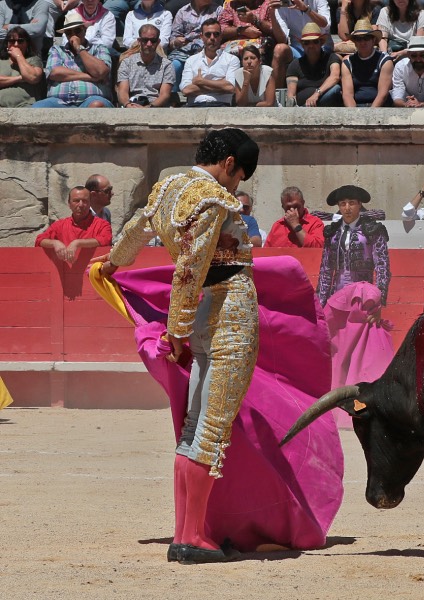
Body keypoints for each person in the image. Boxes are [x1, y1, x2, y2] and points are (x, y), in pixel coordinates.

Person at [93, 128, 261, 565]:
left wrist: (113, 262)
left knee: (194, 424)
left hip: (205, 311)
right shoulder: (212, 198)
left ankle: (187, 531)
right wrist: (176, 329)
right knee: (211, 427)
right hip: (228, 314)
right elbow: (190, 267)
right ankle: (191, 538)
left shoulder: (168, 185)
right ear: (228, 163)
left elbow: (135, 229)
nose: (236, 185)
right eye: (239, 174)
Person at [317, 184, 391, 313]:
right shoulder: (332, 232)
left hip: (363, 295)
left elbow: (382, 268)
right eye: (342, 204)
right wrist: (320, 304)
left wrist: (378, 300)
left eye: (351, 203)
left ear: (359, 204)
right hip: (337, 294)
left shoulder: (373, 230)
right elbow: (326, 270)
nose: (347, 208)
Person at [32, 12, 113, 107]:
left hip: (92, 99)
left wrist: (79, 48)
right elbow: (54, 73)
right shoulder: (56, 50)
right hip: (59, 102)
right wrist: (90, 77)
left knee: (97, 105)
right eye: (69, 32)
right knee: (37, 108)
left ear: (85, 30)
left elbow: (100, 72)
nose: (73, 36)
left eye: (77, 30)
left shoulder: (99, 48)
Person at [35, 186, 113, 262]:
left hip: (92, 272)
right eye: (76, 201)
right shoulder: (59, 225)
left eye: (85, 201)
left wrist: (77, 243)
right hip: (65, 273)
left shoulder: (102, 224)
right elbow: (39, 240)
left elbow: (106, 240)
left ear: (90, 203)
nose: (81, 205)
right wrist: (55, 243)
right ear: (69, 204)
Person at [270, 0, 330, 89]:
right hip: (299, 48)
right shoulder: (282, 5)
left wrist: (306, 9)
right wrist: (272, 14)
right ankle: (278, 96)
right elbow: (282, 39)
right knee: (279, 49)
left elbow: (325, 24)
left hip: (321, 45)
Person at [181, 18, 240, 107]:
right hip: (194, 107)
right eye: (208, 34)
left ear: (221, 36)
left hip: (221, 106)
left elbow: (230, 88)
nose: (212, 38)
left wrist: (201, 81)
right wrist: (220, 83)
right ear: (201, 37)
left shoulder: (232, 59)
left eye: (216, 34)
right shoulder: (191, 60)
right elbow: (186, 90)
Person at [116, 23, 175, 107]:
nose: (149, 44)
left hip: (156, 108)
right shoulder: (127, 63)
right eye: (145, 40)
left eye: (153, 40)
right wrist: (128, 105)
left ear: (158, 42)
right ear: (139, 41)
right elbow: (122, 91)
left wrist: (148, 108)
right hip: (132, 105)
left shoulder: (166, 65)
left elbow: (164, 95)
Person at [167, 0, 223, 89]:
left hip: (207, 49)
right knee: (174, 65)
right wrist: (176, 41)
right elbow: (173, 38)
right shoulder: (183, 11)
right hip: (185, 50)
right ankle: (174, 97)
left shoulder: (218, 10)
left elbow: (221, 33)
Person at [284, 22, 342, 106]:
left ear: (321, 43)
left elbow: (335, 77)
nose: (311, 46)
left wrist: (316, 94)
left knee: (336, 89)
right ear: (302, 45)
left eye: (315, 42)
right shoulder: (295, 64)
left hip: (326, 102)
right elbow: (291, 94)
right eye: (307, 43)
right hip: (302, 107)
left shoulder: (331, 58)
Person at [340, 18, 393, 107]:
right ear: (355, 42)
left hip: (381, 107)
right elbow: (347, 95)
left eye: (366, 38)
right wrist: (354, 115)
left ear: (373, 40)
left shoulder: (385, 60)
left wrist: (369, 116)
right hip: (356, 107)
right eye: (359, 39)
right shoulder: (347, 62)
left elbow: (382, 95)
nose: (362, 42)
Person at [0, 25, 43, 107]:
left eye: (20, 41)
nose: (16, 45)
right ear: (7, 44)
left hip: (25, 106)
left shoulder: (33, 60)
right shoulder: (1, 61)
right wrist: (20, 78)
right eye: (12, 41)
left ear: (27, 43)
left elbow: (33, 77)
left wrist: (19, 56)